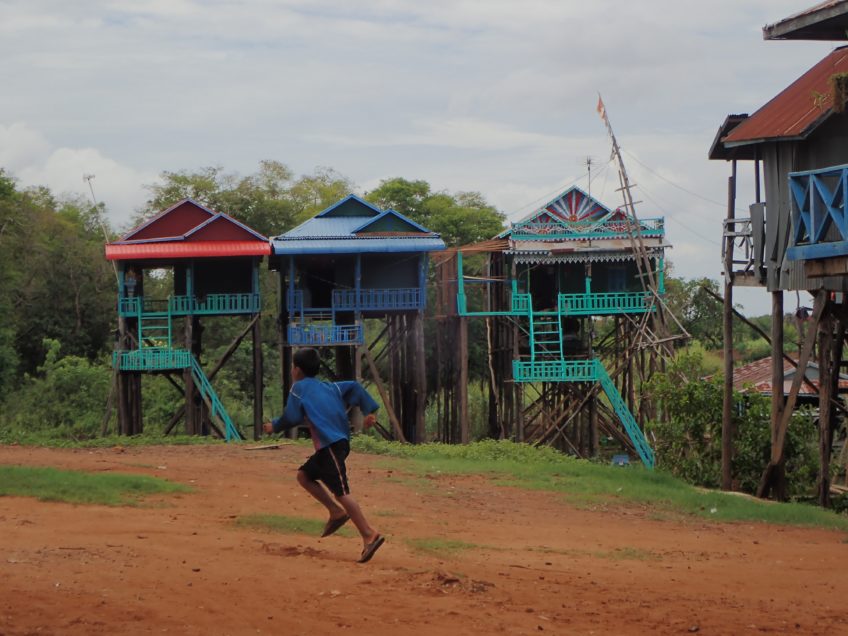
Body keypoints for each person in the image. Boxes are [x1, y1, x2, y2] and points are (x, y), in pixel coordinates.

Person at [263, 347, 385, 563]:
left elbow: (291, 416)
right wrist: (370, 411)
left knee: (341, 492)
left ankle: (369, 534)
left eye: (292, 367)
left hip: (330, 444)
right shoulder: (331, 387)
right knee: (304, 476)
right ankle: (335, 513)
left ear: (297, 370)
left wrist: (273, 426)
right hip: (336, 444)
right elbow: (356, 388)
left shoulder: (299, 388)